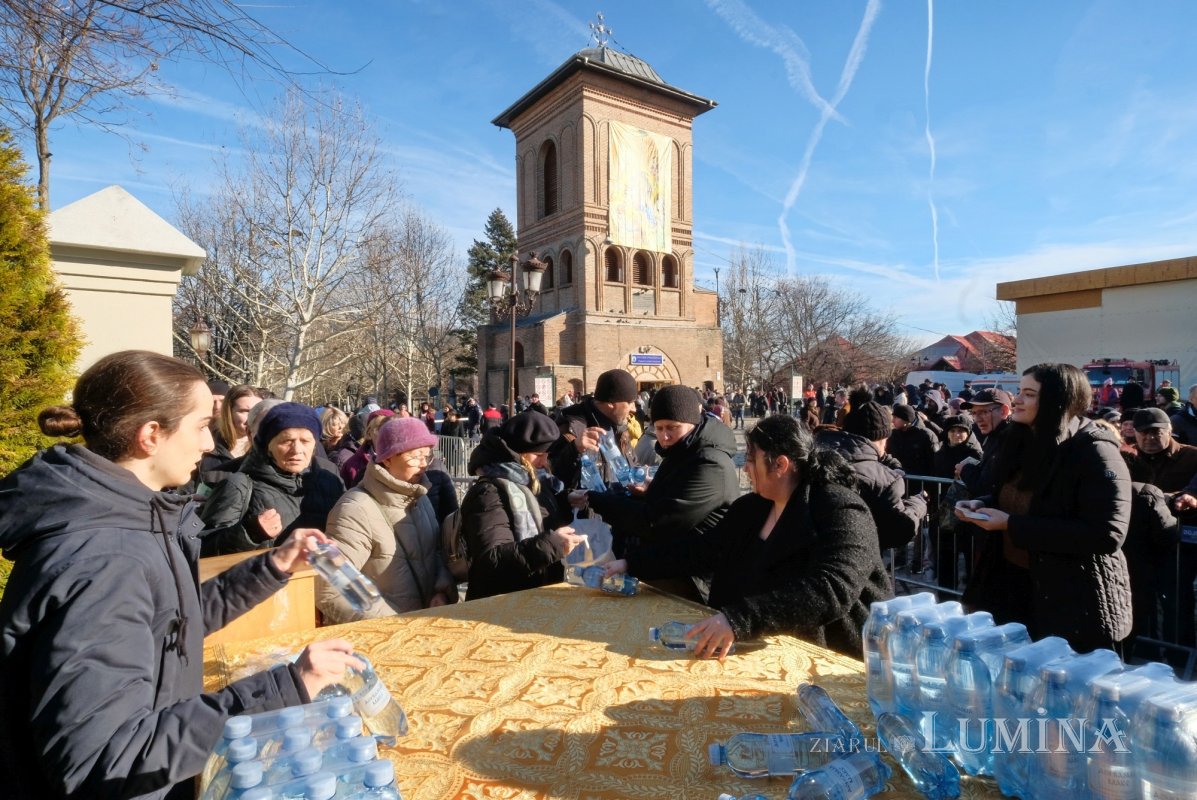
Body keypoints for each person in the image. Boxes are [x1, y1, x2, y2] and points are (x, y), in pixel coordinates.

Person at [0, 350, 361, 799]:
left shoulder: (136, 513)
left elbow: (169, 622)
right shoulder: (105, 557)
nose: (210, 444)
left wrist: (273, 566)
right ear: (151, 435)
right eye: (200, 426)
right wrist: (286, 687)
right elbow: (104, 757)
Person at [604, 415, 892, 659]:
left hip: (833, 659)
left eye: (751, 459)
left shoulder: (841, 508)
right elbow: (702, 550)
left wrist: (740, 620)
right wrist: (632, 564)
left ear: (780, 464)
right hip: (763, 651)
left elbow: (831, 588)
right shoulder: (751, 509)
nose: (745, 468)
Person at [957, 363, 1133, 652]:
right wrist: (983, 504)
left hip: (1072, 601)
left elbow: (1107, 533)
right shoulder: (1024, 441)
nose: (1016, 400)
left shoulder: (1095, 451)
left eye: (1028, 394)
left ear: (1057, 399)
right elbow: (1025, 499)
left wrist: (1011, 525)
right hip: (1016, 589)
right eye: (1018, 392)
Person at [571, 385, 739, 600]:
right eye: (659, 428)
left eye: (672, 427)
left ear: (693, 423)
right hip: (670, 567)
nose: (665, 436)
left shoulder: (709, 462)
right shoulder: (683, 451)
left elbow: (659, 522)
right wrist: (650, 493)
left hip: (693, 580)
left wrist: (597, 500)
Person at [320, 418, 455, 623]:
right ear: (387, 459)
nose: (423, 465)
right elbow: (331, 583)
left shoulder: (420, 497)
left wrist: (440, 590)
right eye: (415, 456)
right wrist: (388, 622)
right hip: (382, 637)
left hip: (423, 627)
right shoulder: (355, 509)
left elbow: (433, 553)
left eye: (426, 456)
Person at [460, 413, 585, 601]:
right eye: (538, 455)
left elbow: (543, 518)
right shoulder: (488, 493)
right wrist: (551, 545)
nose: (543, 462)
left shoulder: (535, 481)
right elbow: (490, 559)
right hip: (501, 603)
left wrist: (566, 501)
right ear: (518, 453)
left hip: (537, 597)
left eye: (547, 455)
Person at [199, 402, 345, 555]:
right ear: (267, 445)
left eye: (305, 441)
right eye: (286, 441)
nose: (297, 450)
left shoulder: (330, 480)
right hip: (265, 577)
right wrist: (250, 533)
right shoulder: (239, 485)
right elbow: (204, 550)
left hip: (323, 577)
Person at [1123, 407, 1197, 646]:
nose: (1149, 438)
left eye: (1156, 433)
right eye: (1143, 433)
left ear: (1170, 431)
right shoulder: (1128, 458)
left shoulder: (1192, 456)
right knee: (1139, 600)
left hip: (1180, 544)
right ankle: (1144, 651)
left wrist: (1189, 496)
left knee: (1178, 601)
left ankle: (1181, 653)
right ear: (1134, 433)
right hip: (1140, 543)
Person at [817, 400, 927, 553]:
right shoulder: (886, 480)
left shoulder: (814, 458)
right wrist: (918, 505)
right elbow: (899, 531)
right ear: (881, 438)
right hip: (860, 560)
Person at [549, 368, 639, 488]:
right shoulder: (571, 428)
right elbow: (552, 477)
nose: (634, 409)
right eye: (630, 402)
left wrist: (640, 477)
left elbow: (631, 463)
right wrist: (574, 449)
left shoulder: (619, 425)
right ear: (611, 404)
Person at [198, 384, 266, 488]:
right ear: (229, 412)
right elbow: (183, 491)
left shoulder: (267, 450)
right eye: (245, 411)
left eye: (257, 411)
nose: (252, 417)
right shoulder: (205, 445)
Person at [339, 409, 395, 488]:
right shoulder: (352, 465)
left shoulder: (407, 461)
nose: (386, 434)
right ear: (369, 433)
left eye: (391, 429)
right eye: (380, 429)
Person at [887, 404, 939, 476]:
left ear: (906, 419)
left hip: (920, 483)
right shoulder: (893, 435)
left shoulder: (926, 436)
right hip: (897, 480)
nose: (892, 421)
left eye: (896, 417)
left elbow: (934, 463)